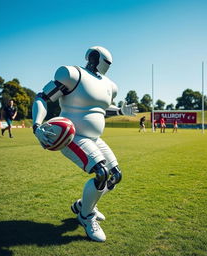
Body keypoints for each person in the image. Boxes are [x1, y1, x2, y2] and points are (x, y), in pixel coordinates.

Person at [32, 46, 138, 242]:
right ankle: (86, 217)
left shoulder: (110, 85)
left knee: (115, 176)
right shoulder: (72, 74)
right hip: (72, 135)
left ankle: (84, 205)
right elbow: (42, 97)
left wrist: (122, 111)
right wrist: (37, 125)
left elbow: (100, 110)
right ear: (94, 58)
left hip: (95, 138)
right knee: (101, 173)